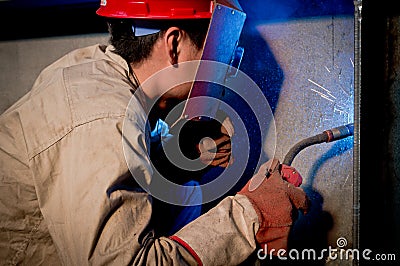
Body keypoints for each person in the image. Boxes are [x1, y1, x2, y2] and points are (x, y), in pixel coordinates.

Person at [0, 0, 309, 265]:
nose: (225, 71)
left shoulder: (102, 74)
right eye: (221, 55)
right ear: (174, 45)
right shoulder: (102, 117)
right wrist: (250, 215)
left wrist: (175, 159)